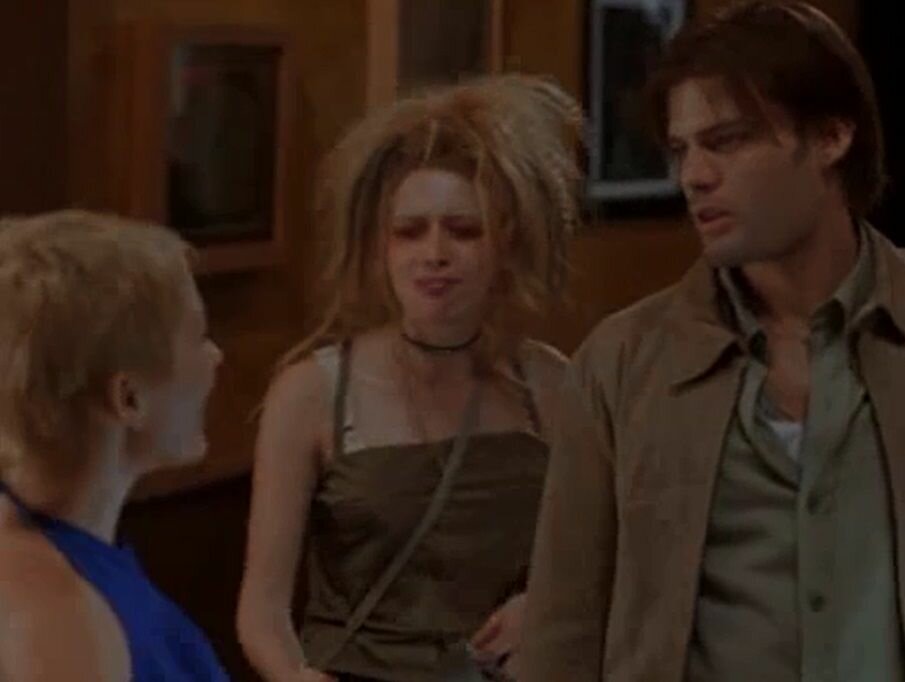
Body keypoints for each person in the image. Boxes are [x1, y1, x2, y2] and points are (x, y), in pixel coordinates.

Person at [519, 2, 902, 680]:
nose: (694, 175)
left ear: (830, 137)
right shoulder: (623, 363)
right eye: (681, 150)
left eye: (727, 141)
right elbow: (563, 632)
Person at [236, 74, 583, 682]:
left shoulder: (548, 385)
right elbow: (262, 611)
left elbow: (594, 555)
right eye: (410, 231)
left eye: (464, 230)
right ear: (379, 247)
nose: (434, 254)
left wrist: (544, 606)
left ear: (506, 243)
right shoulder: (312, 392)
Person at [0, 211, 227, 681]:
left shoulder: (62, 541)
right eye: (197, 337)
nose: (214, 356)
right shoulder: (56, 621)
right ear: (129, 398)